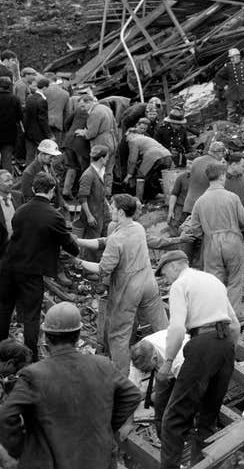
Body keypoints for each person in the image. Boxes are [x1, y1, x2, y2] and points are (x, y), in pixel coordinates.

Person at [0, 302, 140, 469]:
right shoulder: (103, 364)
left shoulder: (33, 374)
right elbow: (132, 395)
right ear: (78, 335)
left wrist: (19, 450)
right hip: (99, 460)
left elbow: (7, 416)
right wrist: (107, 426)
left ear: (46, 336)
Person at [154, 250, 239, 469]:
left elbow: (177, 329)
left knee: (174, 420)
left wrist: (167, 362)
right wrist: (226, 352)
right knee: (208, 419)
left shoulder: (180, 285)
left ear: (174, 266)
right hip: (225, 345)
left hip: (202, 344)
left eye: (164, 274)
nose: (165, 280)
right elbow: (235, 325)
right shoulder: (213, 281)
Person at [76, 194, 168, 375]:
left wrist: (77, 262)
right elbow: (104, 242)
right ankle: (174, 358)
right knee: (162, 326)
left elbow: (103, 269)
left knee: (118, 336)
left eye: (111, 207)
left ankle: (122, 378)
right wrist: (78, 241)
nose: (110, 210)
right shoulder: (138, 228)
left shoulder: (118, 239)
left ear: (120, 211)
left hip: (129, 290)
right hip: (149, 284)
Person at [0, 172, 79, 359]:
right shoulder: (54, 216)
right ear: (52, 191)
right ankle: (30, 355)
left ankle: (1, 351)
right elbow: (71, 247)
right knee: (31, 316)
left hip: (8, 267)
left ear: (34, 189)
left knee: (4, 309)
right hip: (32, 271)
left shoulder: (21, 210)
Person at [180, 162, 244, 315]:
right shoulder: (232, 197)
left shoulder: (200, 201)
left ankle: (216, 314)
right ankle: (233, 314)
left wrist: (184, 231)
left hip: (211, 244)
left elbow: (195, 229)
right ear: (222, 176)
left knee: (214, 281)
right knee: (235, 281)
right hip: (233, 240)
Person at [129, 330, 188, 437]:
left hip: (187, 369)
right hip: (166, 370)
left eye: (145, 369)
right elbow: (132, 389)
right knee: (157, 402)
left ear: (154, 358)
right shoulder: (140, 353)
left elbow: (187, 390)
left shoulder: (178, 360)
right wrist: (127, 419)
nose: (143, 372)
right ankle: (163, 434)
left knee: (178, 407)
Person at [75, 93, 117, 195]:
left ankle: (97, 194)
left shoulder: (94, 113)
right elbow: (115, 125)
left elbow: (91, 133)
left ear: (89, 102)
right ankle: (107, 193)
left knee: (97, 168)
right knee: (109, 169)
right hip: (112, 140)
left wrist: (83, 132)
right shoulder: (105, 108)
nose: (82, 109)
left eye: (83, 106)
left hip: (101, 142)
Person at [215, 47, 244, 127]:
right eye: (231, 58)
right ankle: (231, 128)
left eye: (234, 57)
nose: (232, 59)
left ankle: (242, 127)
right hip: (232, 92)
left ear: (238, 56)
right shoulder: (228, 66)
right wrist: (225, 85)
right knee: (231, 112)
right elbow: (217, 76)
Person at [124, 129, 173, 201]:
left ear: (131, 134)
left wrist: (129, 174)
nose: (126, 140)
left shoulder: (133, 141)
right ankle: (168, 199)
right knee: (163, 178)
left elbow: (132, 160)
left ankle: (138, 200)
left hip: (153, 156)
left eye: (126, 138)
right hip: (167, 155)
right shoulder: (147, 138)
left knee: (140, 177)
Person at [183, 140, 226, 215]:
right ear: (219, 153)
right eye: (223, 153)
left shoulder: (196, 160)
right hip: (205, 207)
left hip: (190, 204)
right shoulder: (217, 165)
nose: (223, 156)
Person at [77, 145, 110, 242]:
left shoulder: (100, 172)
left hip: (100, 213)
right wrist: (89, 216)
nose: (108, 159)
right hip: (93, 215)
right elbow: (82, 198)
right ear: (101, 159)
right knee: (92, 243)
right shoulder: (88, 175)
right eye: (107, 157)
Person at [61, 95, 91, 200]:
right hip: (80, 144)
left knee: (71, 166)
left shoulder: (77, 111)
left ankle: (66, 191)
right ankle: (82, 192)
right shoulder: (91, 113)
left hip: (68, 141)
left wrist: (70, 132)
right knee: (84, 168)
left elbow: (66, 123)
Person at [21, 139, 63, 207]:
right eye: (51, 157)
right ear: (42, 153)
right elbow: (27, 197)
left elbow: (56, 186)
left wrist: (62, 202)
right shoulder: (29, 172)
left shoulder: (48, 165)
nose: (52, 160)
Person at [23, 76, 51, 163]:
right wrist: (49, 134)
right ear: (45, 87)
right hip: (39, 133)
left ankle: (29, 174)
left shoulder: (29, 98)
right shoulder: (42, 100)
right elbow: (43, 119)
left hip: (29, 132)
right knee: (41, 157)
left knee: (30, 156)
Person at [0, 78, 22, 171]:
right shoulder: (15, 99)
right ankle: (6, 181)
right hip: (9, 134)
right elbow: (19, 116)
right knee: (7, 159)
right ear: (9, 86)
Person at [0, 170, 22, 259]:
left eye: (11, 180)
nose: (10, 183)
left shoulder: (18, 196)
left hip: (19, 246)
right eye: (6, 181)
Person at [43, 74, 70, 145]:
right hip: (58, 122)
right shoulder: (66, 93)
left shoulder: (44, 91)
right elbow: (67, 112)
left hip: (44, 122)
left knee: (45, 146)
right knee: (56, 146)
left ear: (48, 80)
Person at [167, 162, 191, 234]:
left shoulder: (202, 178)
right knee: (173, 223)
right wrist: (170, 211)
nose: (189, 165)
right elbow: (174, 194)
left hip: (194, 208)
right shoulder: (181, 177)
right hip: (181, 207)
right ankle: (174, 241)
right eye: (188, 163)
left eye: (192, 163)